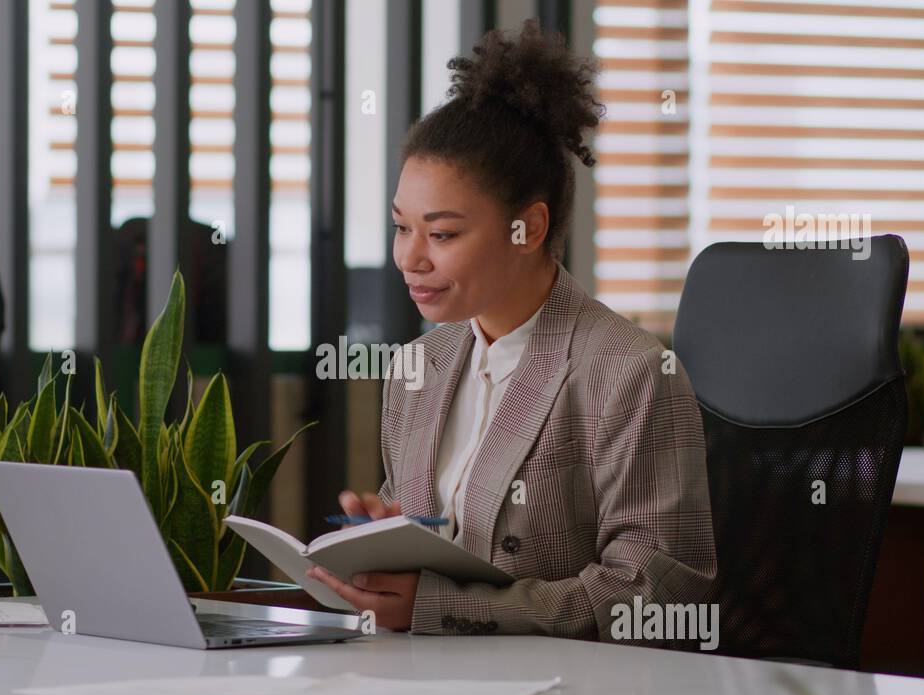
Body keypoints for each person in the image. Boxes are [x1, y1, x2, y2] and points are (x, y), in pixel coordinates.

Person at [305, 20, 717, 644]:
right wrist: (386, 540)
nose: (410, 258)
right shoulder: (420, 366)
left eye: (442, 234)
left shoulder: (627, 371)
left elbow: (657, 591)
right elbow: (437, 561)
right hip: (422, 679)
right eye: (401, 227)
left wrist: (445, 605)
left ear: (528, 227)